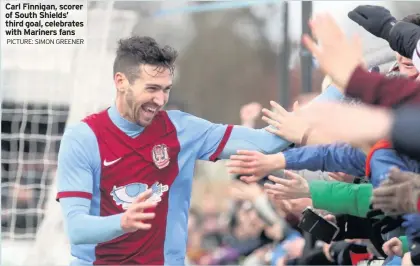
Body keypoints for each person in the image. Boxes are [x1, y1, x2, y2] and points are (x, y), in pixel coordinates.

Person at [56, 36, 343, 265]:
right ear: (121, 82)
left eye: (166, 89)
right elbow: (77, 229)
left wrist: (339, 89)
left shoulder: (181, 129)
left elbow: (263, 143)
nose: (160, 100)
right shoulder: (83, 138)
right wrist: (123, 222)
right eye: (152, 88)